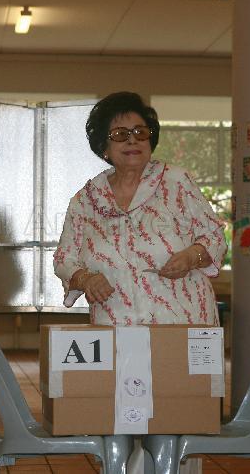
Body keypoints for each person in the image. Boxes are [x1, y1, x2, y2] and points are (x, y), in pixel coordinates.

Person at [54, 92, 226, 326]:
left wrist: (190, 256)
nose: (132, 140)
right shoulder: (87, 200)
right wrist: (85, 279)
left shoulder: (177, 182)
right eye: (120, 134)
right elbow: (64, 258)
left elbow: (214, 236)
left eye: (140, 132)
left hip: (183, 321)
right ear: (104, 146)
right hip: (115, 322)